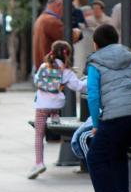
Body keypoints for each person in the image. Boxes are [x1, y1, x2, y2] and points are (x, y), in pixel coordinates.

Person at [86, 24, 131, 192]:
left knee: (94, 155)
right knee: (117, 151)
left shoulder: (95, 62)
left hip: (116, 116)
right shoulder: (129, 57)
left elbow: (93, 96)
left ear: (95, 44)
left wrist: (96, 124)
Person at [28, 40, 87, 179]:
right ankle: (55, 117)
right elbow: (78, 86)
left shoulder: (44, 66)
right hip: (57, 104)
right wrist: (90, 80)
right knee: (55, 103)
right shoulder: (66, 71)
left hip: (42, 105)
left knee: (39, 135)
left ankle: (39, 163)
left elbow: (37, 80)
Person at [32, 0, 81, 70]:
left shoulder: (41, 19)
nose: (64, 11)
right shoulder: (51, 21)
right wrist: (77, 32)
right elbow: (68, 36)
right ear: (58, 5)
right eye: (64, 7)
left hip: (44, 68)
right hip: (52, 70)